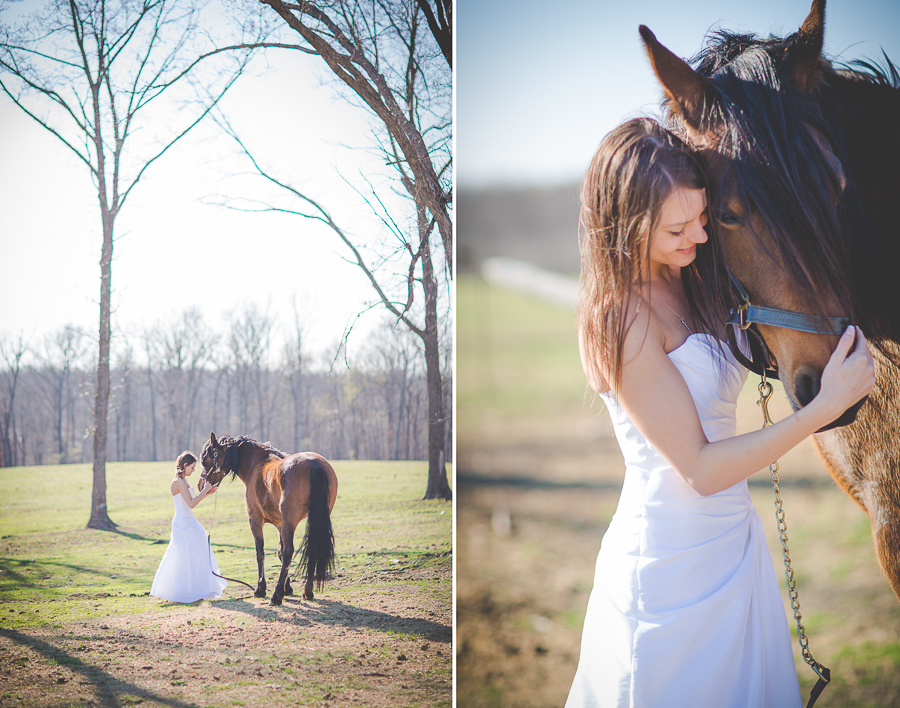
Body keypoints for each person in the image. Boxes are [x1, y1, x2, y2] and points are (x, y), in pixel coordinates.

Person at [566, 118, 875, 707]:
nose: (699, 238)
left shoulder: (696, 279)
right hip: (668, 566)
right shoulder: (620, 317)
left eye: (703, 218)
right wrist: (824, 406)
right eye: (678, 227)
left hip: (734, 545)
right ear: (627, 227)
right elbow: (701, 469)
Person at [150, 451, 228, 603]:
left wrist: (207, 493)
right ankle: (179, 591)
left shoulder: (184, 480)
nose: (193, 470)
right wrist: (204, 490)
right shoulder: (178, 482)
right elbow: (191, 504)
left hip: (190, 523)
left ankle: (199, 587)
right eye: (192, 467)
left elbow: (191, 500)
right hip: (182, 525)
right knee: (181, 555)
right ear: (184, 466)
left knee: (200, 550)